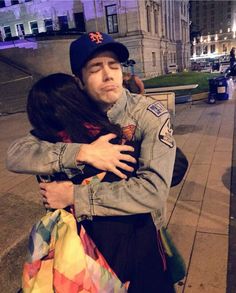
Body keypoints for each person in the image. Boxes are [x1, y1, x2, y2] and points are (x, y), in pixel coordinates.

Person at [7, 32, 176, 292]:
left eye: (114, 66)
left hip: (138, 236)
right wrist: (82, 153)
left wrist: (74, 195)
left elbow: (153, 192)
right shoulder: (72, 111)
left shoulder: (148, 115)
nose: (109, 75)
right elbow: (17, 153)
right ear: (80, 81)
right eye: (96, 68)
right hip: (87, 244)